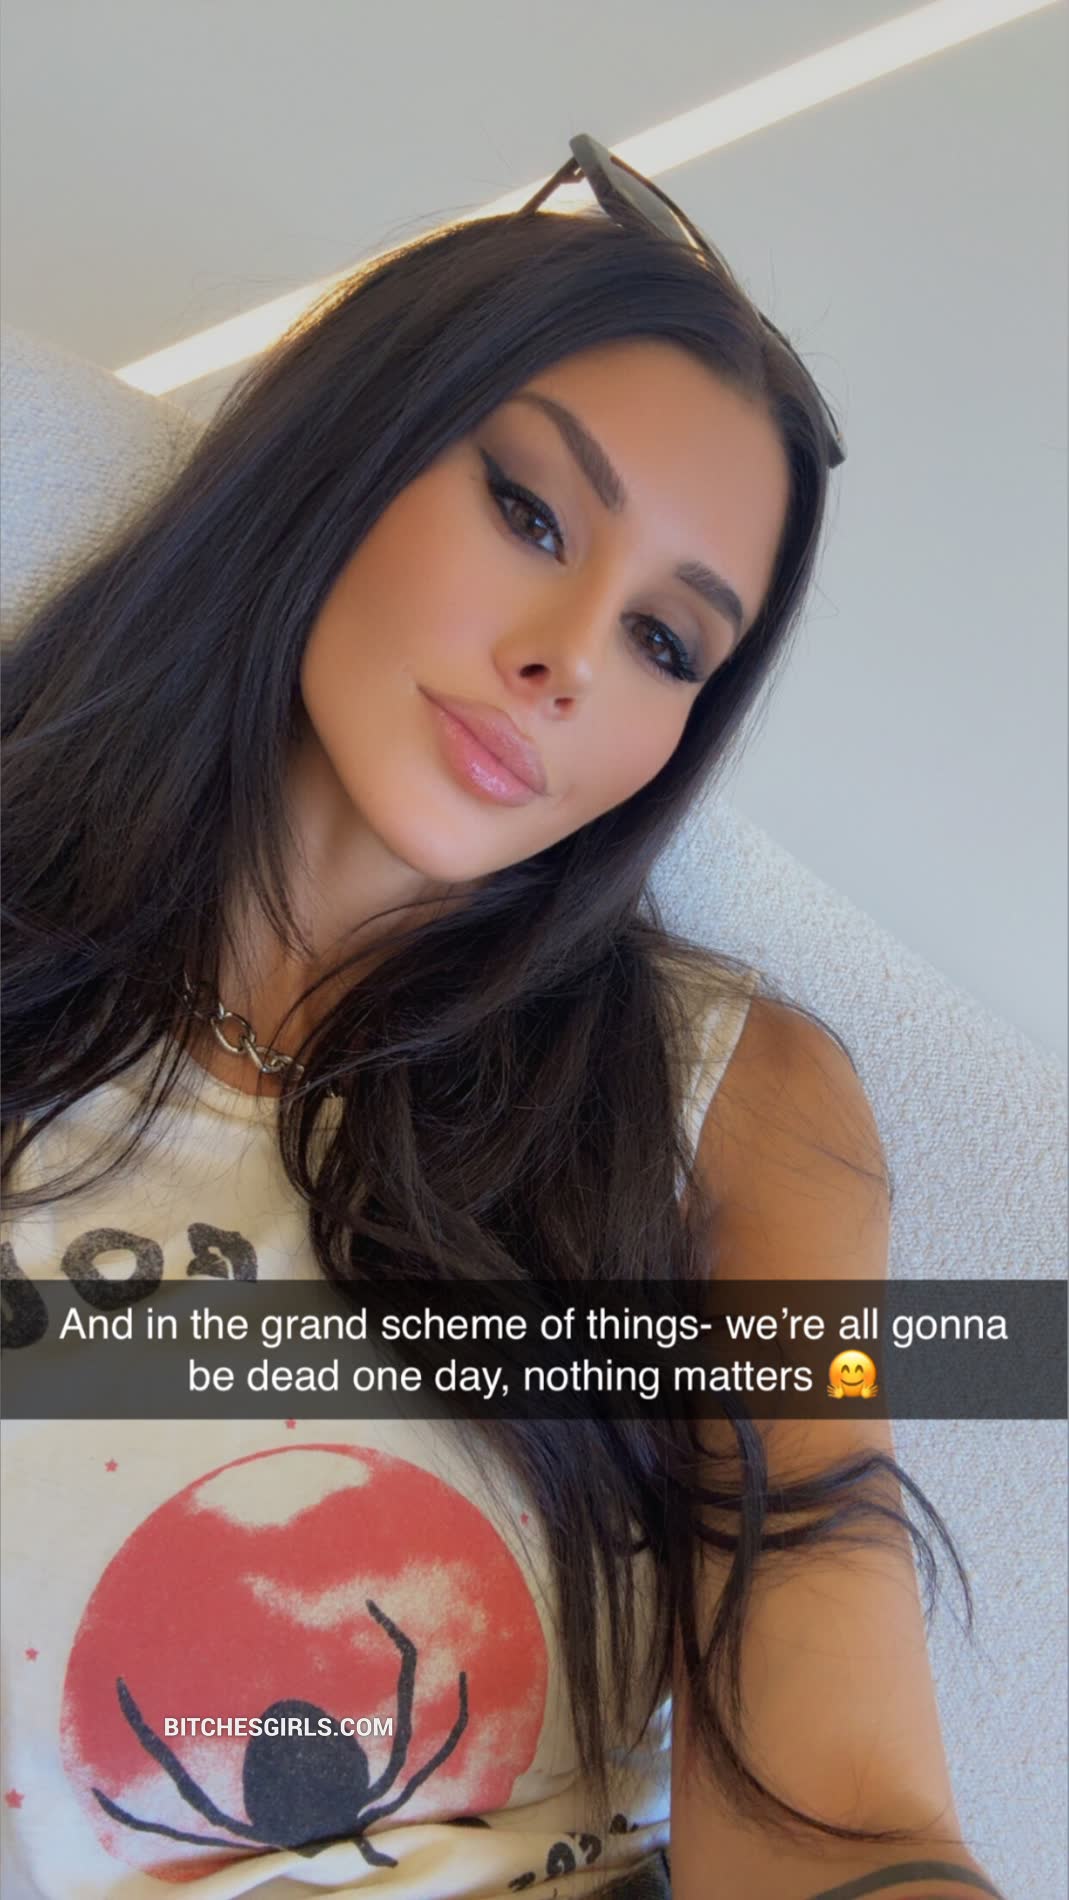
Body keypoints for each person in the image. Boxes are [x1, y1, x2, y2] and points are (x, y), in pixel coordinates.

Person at [0, 137, 1004, 1900]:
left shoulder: (739, 1099)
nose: (568, 663)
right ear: (344, 446)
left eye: (667, 645)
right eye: (531, 514)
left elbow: (834, 1780)